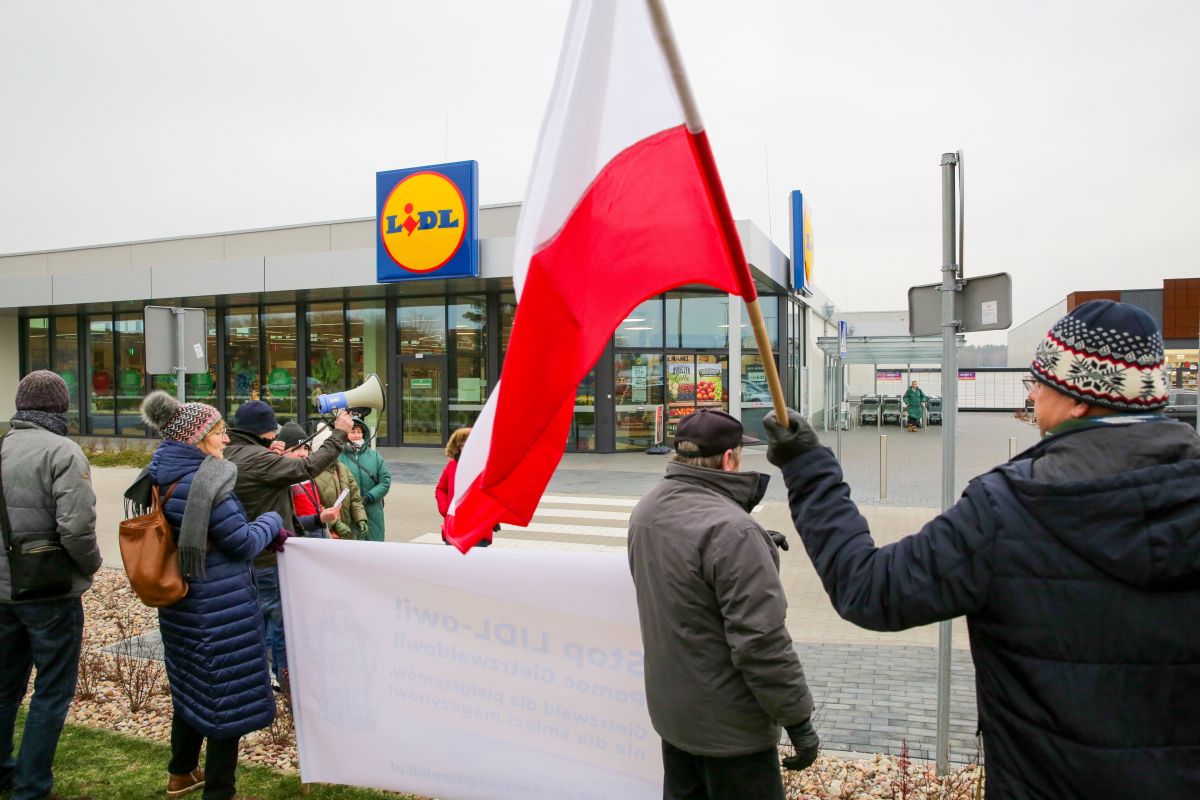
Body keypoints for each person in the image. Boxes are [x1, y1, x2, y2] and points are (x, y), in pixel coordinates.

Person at [763, 300, 1200, 799]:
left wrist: (808, 468)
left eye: (1037, 384)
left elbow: (870, 589)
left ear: (1079, 399)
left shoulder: (1009, 508)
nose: (1031, 396)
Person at [626, 408, 819, 800]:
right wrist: (798, 721)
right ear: (729, 458)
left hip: (675, 716)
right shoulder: (732, 532)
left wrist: (755, 540)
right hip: (731, 732)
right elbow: (761, 643)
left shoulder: (647, 509)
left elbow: (685, 591)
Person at [139, 391, 288, 800]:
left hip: (183, 603)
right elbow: (240, 543)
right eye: (220, 432)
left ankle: (181, 773)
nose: (226, 440)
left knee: (192, 689)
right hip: (219, 606)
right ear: (198, 436)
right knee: (228, 698)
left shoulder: (161, 470)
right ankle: (220, 791)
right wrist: (273, 520)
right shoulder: (205, 480)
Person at [0, 371, 100, 800]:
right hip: (50, 590)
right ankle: (32, 786)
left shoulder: (2, 447)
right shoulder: (63, 451)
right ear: (61, 407)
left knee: (4, 688)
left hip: (2, 592)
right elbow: (77, 528)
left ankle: (5, 773)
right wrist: (91, 567)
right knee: (51, 691)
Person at [223, 400, 352, 693]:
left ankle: (257, 678)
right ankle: (288, 683)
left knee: (257, 621)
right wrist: (339, 433)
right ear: (266, 431)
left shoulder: (231, 453)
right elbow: (307, 467)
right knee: (282, 623)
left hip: (245, 552)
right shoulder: (258, 459)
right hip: (268, 557)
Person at [276, 422, 343, 538]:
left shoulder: (308, 475)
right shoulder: (280, 480)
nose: (303, 454)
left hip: (317, 538)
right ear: (282, 451)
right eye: (295, 449)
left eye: (305, 448)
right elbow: (286, 523)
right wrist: (320, 518)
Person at [435, 427, 493, 547]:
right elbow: (440, 489)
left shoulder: (485, 467)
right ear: (457, 448)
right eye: (462, 445)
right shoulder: (452, 466)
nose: (465, 448)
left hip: (478, 528)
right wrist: (445, 509)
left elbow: (494, 494)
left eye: (469, 444)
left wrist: (493, 517)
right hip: (454, 526)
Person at [338, 417, 392, 542]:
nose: (357, 435)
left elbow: (385, 481)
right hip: (349, 511)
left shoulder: (375, 456)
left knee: (375, 548)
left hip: (373, 510)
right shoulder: (338, 457)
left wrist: (369, 497)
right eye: (352, 432)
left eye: (359, 431)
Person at [313, 456, 368, 540]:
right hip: (326, 532)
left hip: (348, 530)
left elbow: (355, 498)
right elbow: (315, 504)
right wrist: (335, 523)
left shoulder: (342, 468)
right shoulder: (313, 471)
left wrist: (360, 518)